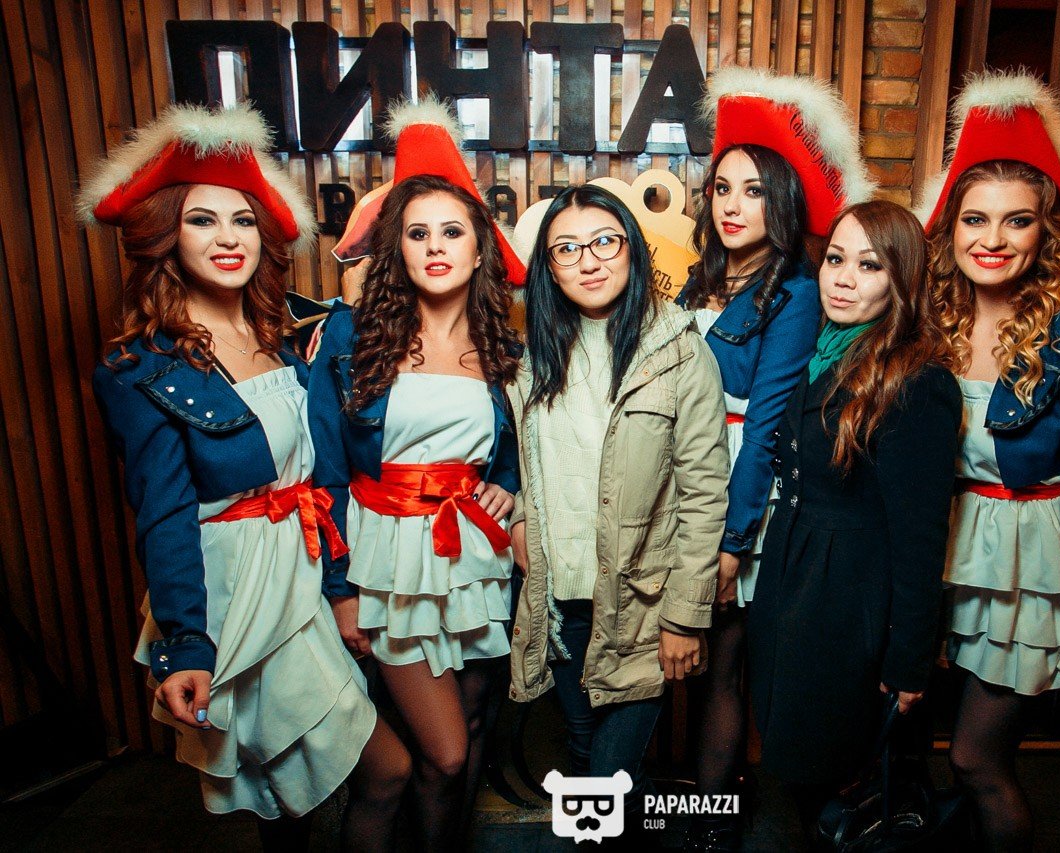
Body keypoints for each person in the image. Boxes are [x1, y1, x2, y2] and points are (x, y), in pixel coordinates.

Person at [84, 104, 409, 850]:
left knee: (296, 798)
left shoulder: (279, 334)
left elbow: (320, 476)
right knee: (370, 773)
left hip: (300, 575)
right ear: (168, 235)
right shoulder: (140, 367)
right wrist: (186, 644)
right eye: (202, 220)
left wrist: (339, 586)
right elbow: (164, 516)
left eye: (243, 220)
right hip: (239, 595)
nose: (228, 237)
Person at [918, 71, 1060, 851]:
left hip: (1030, 565)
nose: (994, 238)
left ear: (1045, 234)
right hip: (948, 550)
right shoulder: (926, 323)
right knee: (928, 751)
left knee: (976, 756)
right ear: (950, 230)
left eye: (1017, 221)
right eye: (975, 218)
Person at [308, 99, 524, 851]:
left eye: (452, 231)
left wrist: (510, 487)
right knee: (445, 748)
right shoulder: (349, 335)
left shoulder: (503, 348)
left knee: (468, 732)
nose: (435, 247)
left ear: (480, 248)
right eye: (417, 232)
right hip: (388, 567)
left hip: (474, 560)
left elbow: (513, 453)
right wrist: (341, 590)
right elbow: (325, 473)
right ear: (395, 248)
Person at [677, 66, 874, 853]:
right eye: (722, 188)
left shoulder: (794, 292)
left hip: (738, 488)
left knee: (724, 662)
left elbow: (764, 426)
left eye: (753, 191)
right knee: (684, 661)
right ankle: (702, 796)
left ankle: (713, 816)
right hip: (682, 481)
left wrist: (732, 541)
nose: (731, 205)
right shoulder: (703, 279)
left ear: (783, 200)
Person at [506, 184, 730, 842]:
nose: (589, 260)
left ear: (632, 248)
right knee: (584, 757)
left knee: (608, 774)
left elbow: (704, 490)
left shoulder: (679, 351)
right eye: (567, 248)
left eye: (606, 241)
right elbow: (528, 466)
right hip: (561, 602)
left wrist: (686, 616)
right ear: (548, 268)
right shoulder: (533, 358)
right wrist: (518, 518)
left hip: (644, 605)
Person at [748, 200, 961, 838]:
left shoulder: (918, 382)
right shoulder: (823, 352)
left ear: (903, 279)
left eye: (869, 266)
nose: (843, 278)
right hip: (792, 578)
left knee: (835, 774)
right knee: (799, 768)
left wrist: (908, 662)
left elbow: (922, 539)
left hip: (847, 600)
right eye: (835, 259)